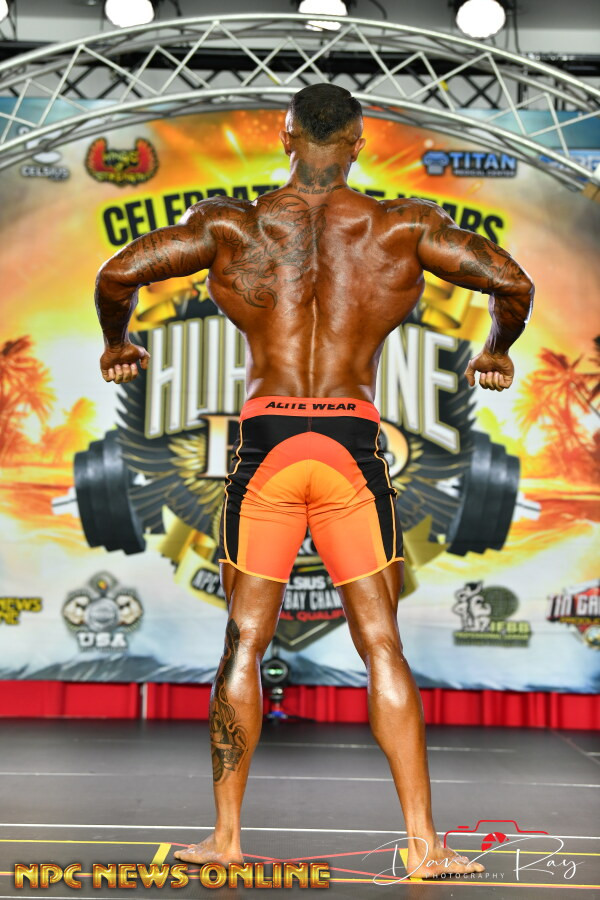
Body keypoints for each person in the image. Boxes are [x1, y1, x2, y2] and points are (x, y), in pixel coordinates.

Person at [94, 83, 534, 880]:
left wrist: (117, 343)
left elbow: (119, 273)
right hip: (349, 448)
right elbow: (513, 284)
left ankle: (226, 838)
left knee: (244, 640)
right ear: (359, 142)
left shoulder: (231, 226)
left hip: (267, 445)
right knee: (381, 643)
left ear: (285, 135)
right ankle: (425, 847)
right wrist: (496, 350)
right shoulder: (404, 228)